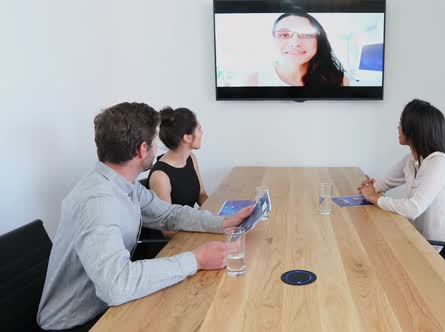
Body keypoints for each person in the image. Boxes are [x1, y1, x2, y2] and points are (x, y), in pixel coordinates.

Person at [37, 102, 254, 331]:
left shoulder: (124, 185)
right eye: (154, 143)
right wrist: (196, 259)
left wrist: (223, 223)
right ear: (142, 149)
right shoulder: (97, 203)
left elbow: (169, 215)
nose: (157, 148)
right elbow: (117, 285)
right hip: (77, 323)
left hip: (108, 307)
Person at [358, 99, 445, 269]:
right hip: (424, 241)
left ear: (414, 130)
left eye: (401, 124)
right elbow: (382, 184)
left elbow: (413, 209)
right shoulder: (411, 160)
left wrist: (376, 199)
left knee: (381, 260)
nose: (398, 128)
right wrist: (370, 188)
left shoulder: (439, 163)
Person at [147, 107, 207, 240]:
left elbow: (201, 195)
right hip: (170, 246)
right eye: (199, 129)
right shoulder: (160, 176)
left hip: (189, 231)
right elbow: (168, 229)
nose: (202, 133)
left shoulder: (191, 158)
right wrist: (202, 225)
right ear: (187, 137)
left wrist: (218, 217)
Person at [248, 12, 350, 87]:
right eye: (283, 35)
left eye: (306, 34)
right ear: (274, 40)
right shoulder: (254, 79)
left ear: (319, 40)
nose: (295, 43)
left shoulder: (339, 80)